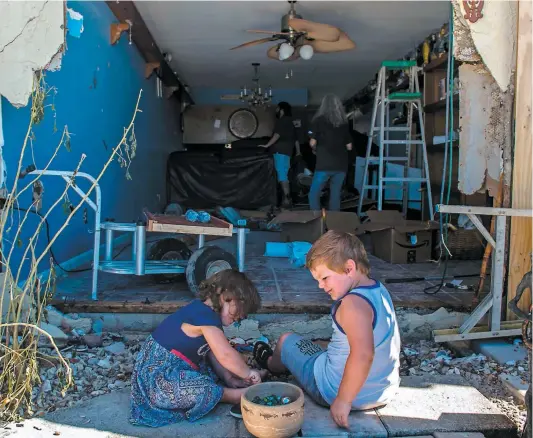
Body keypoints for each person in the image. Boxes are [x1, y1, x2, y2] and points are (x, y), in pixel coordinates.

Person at [253, 231, 401, 429]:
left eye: (324, 278)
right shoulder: (379, 291)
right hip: (383, 391)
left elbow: (363, 355)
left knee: (286, 340)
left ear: (349, 268)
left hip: (332, 391)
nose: (321, 286)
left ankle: (271, 364)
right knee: (323, 346)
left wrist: (343, 400)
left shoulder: (351, 305)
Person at [130, 269, 263, 427]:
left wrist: (229, 377)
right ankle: (232, 396)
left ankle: (229, 385)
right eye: (240, 305)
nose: (241, 315)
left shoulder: (206, 315)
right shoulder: (203, 316)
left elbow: (212, 353)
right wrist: (248, 373)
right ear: (222, 293)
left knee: (210, 369)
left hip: (177, 368)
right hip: (157, 380)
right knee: (200, 385)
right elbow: (225, 355)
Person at [308, 94, 353, 211]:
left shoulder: (319, 120)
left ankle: (317, 221)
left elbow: (312, 142)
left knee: (314, 194)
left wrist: (315, 148)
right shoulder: (344, 123)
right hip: (341, 165)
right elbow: (349, 146)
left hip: (324, 164)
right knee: (335, 195)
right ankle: (334, 224)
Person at [259, 101, 300, 208]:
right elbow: (296, 140)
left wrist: (267, 145)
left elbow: (277, 135)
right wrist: (298, 152)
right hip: (287, 152)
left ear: (281, 109)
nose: (276, 110)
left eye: (277, 108)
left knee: (282, 175)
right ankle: (285, 199)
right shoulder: (291, 122)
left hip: (280, 152)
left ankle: (287, 200)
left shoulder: (282, 121)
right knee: (283, 174)